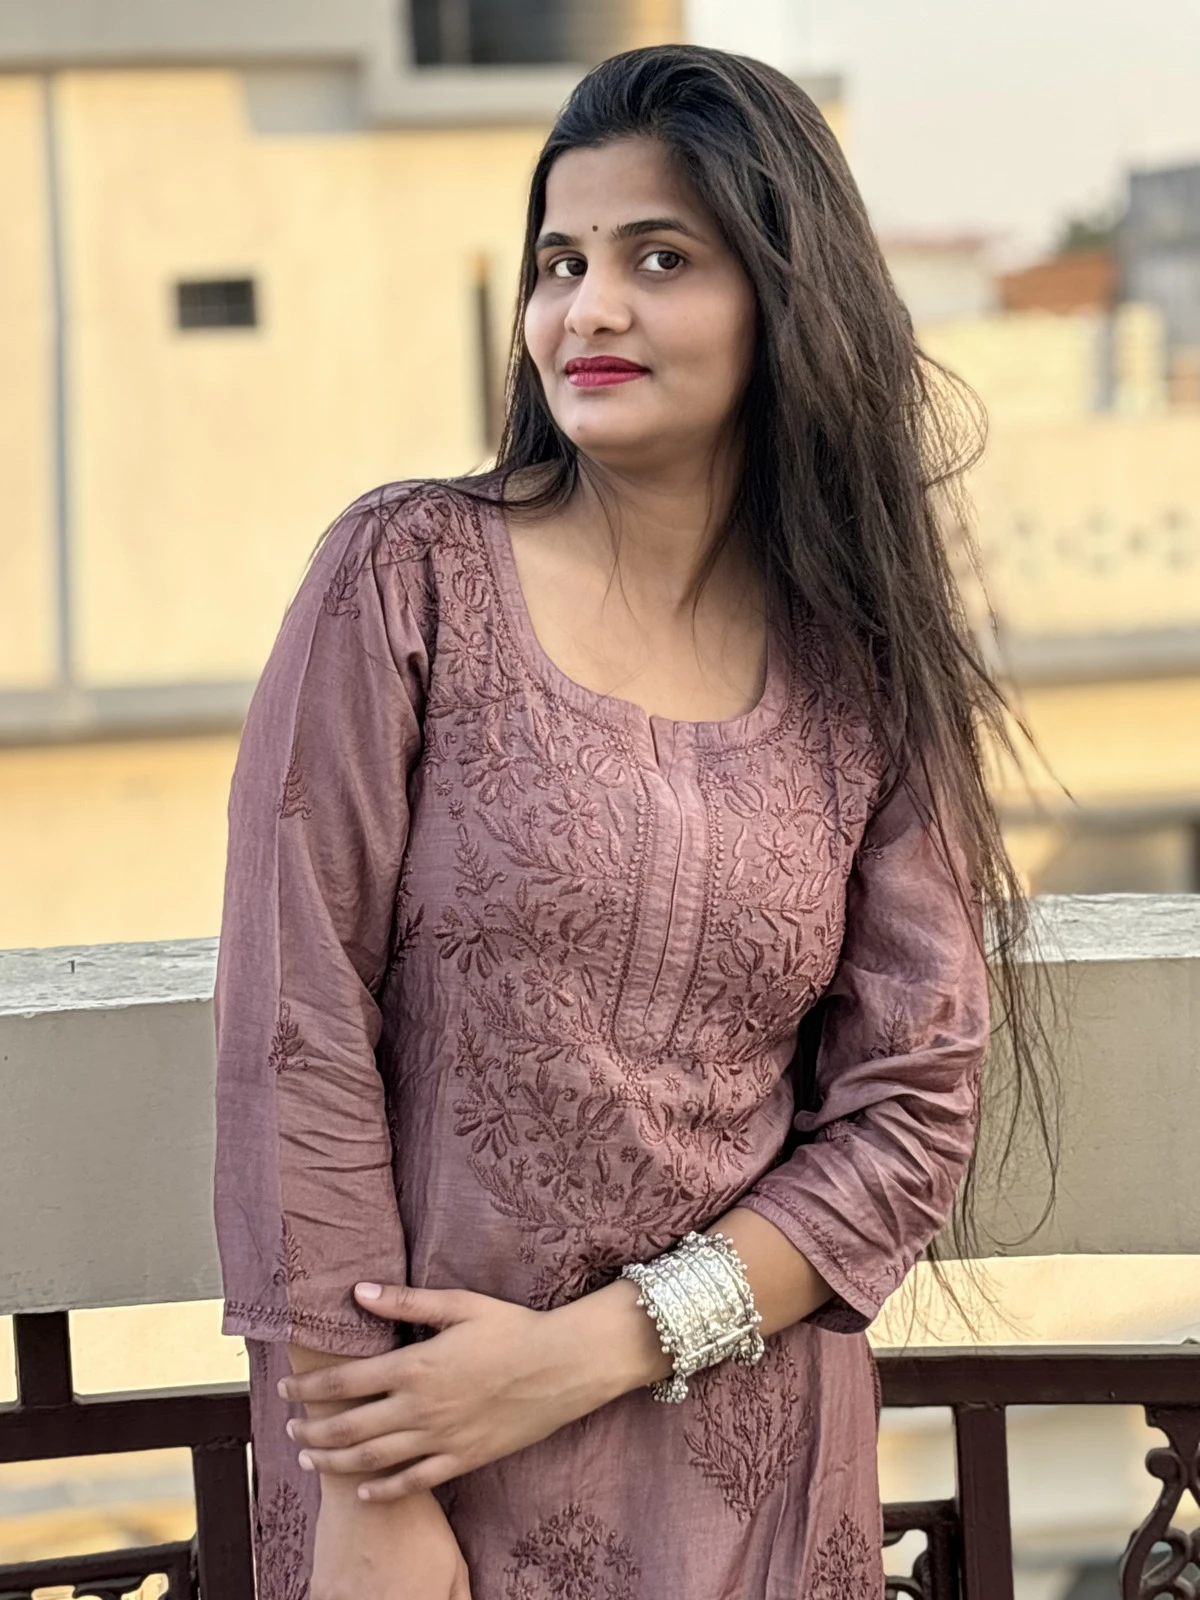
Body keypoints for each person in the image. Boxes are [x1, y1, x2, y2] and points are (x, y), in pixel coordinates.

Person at [213, 42, 1049, 1600]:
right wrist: (369, 1487)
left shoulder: (866, 666)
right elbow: (295, 1028)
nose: (586, 310)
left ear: (785, 301)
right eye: (562, 262)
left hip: (753, 1473)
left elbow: (910, 1112)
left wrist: (588, 1354)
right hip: (419, 1471)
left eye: (659, 259)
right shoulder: (408, 579)